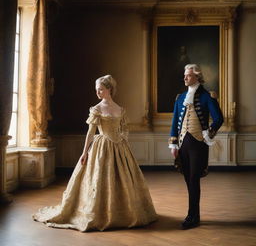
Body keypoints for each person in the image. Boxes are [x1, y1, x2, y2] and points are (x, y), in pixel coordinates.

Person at [33, 75, 157, 232]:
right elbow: (90, 133)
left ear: (109, 90)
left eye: (100, 89)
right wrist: (84, 153)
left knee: (123, 180)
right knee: (98, 180)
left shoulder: (120, 109)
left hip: (119, 147)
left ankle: (124, 213)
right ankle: (97, 213)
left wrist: (122, 139)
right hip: (101, 148)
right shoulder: (96, 109)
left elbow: (125, 128)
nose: (97, 92)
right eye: (96, 90)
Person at [169, 64, 223, 230]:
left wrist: (209, 133)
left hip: (198, 143)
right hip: (183, 143)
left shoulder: (207, 96)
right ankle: (194, 214)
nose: (185, 78)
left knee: (193, 179)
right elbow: (174, 122)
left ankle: (192, 216)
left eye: (189, 75)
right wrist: (173, 143)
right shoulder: (180, 97)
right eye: (185, 75)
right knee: (187, 178)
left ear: (197, 77)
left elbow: (219, 118)